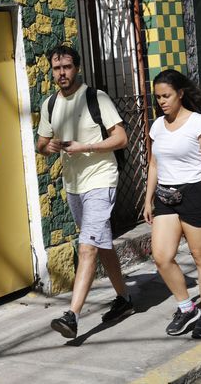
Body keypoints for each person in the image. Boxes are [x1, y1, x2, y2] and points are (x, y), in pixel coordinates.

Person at [37, 44, 133, 339]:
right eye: (56, 68)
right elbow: (40, 144)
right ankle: (124, 300)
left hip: (100, 180)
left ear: (76, 68)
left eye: (66, 67)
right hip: (73, 185)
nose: (61, 73)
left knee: (87, 247)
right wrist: (49, 146)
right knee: (101, 244)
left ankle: (72, 316)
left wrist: (87, 146)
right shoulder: (50, 104)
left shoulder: (96, 98)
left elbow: (121, 137)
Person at [143, 69, 201, 339]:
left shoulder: (198, 123)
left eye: (167, 95)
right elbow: (154, 164)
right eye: (158, 97)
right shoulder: (157, 126)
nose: (162, 101)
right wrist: (148, 199)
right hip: (166, 197)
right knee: (161, 256)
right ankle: (185, 306)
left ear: (180, 93)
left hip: (197, 194)